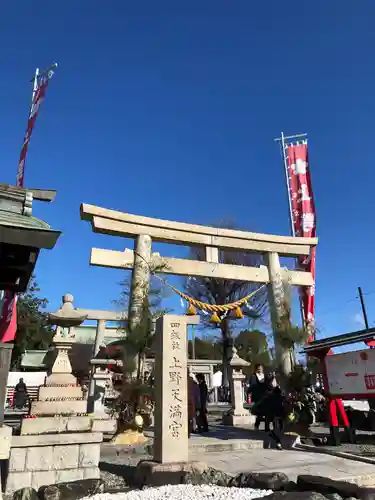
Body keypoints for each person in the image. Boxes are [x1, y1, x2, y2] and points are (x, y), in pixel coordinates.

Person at [257, 375, 286, 450]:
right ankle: (278, 442)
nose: (274, 382)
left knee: (280, 428)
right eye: (273, 381)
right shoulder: (267, 390)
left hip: (279, 411)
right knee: (276, 428)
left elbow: (281, 398)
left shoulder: (277, 390)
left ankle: (275, 437)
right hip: (273, 412)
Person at [248, 364, 268, 430]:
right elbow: (252, 386)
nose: (260, 369)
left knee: (266, 411)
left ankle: (266, 427)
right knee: (260, 412)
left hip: (265, 395)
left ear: (263, 369)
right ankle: (257, 425)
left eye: (261, 368)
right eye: (258, 368)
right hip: (257, 396)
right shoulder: (253, 376)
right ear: (256, 369)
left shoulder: (265, 376)